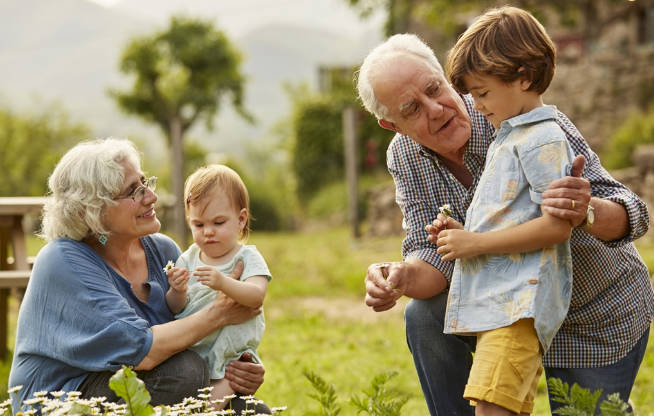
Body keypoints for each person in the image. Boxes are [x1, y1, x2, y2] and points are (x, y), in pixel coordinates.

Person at [356, 30, 653, 415]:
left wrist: (585, 210)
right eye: (412, 109)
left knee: (582, 412)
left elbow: (634, 212)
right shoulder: (405, 156)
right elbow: (431, 253)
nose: (436, 109)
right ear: (393, 126)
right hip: (504, 308)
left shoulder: (524, 118)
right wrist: (400, 276)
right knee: (424, 315)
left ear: (446, 78)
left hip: (590, 307)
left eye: (435, 89)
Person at [8, 138, 270, 414]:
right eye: (134, 191)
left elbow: (191, 328)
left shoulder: (162, 250)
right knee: (185, 372)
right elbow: (142, 351)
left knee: (252, 410)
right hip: (63, 401)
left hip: (145, 383)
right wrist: (221, 313)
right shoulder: (62, 261)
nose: (151, 196)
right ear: (92, 211)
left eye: (146, 183)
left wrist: (240, 365)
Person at [427, 7, 576, 415]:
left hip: (518, 308)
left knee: (492, 410)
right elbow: (514, 216)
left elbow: (556, 227)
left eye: (483, 93)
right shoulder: (509, 136)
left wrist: (476, 243)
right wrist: (462, 232)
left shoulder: (542, 138)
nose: (476, 105)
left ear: (524, 77)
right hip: (501, 307)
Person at [165, 164, 271, 410]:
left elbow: (256, 296)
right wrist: (177, 291)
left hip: (230, 357)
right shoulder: (188, 258)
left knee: (207, 407)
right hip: (195, 349)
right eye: (199, 225)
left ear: (241, 219)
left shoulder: (246, 258)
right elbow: (174, 308)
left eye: (219, 222)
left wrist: (224, 282)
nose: (208, 232)